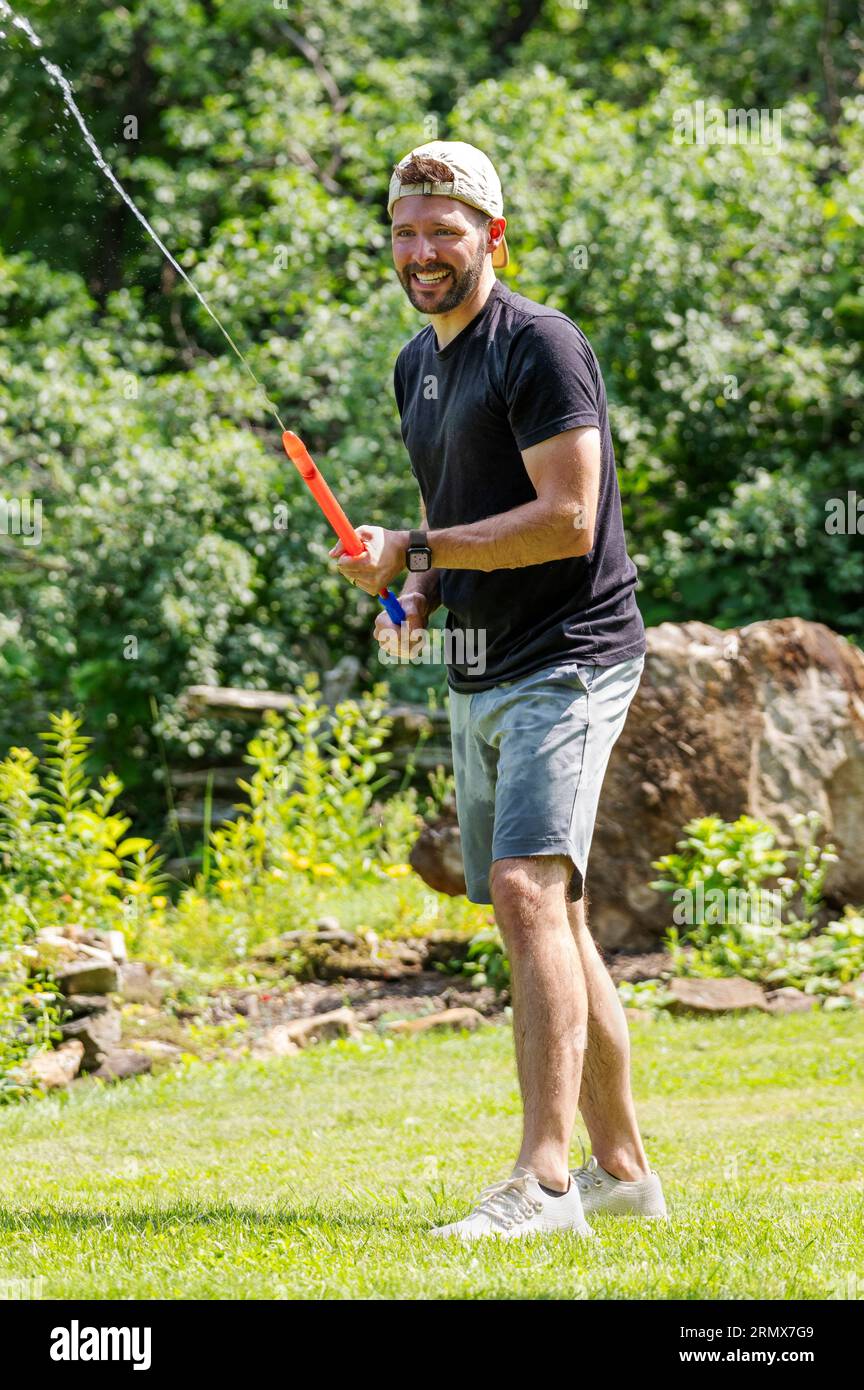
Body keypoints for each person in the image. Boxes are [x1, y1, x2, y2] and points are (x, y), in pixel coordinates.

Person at [329, 139, 667, 1240]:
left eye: (444, 232)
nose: (421, 252)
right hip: (483, 663)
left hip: (571, 654)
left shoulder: (542, 347)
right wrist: (416, 589)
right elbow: (459, 510)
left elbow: (568, 516)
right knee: (551, 916)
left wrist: (416, 544)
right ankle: (624, 1169)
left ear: (492, 237)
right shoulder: (413, 365)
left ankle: (546, 1181)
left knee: (527, 890)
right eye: (405, 231)